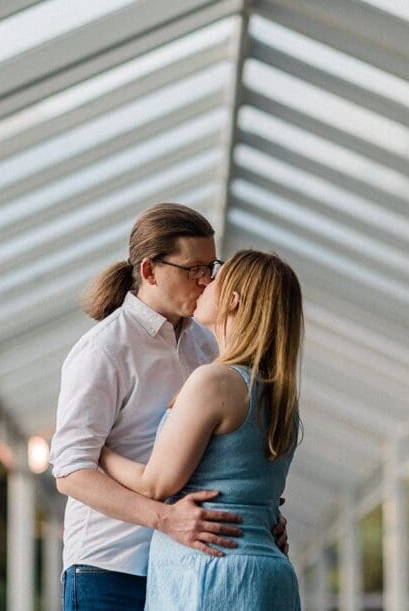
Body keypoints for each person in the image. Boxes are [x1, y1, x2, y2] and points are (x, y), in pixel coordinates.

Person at [49, 204, 287, 609]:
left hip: (186, 566)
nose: (205, 280)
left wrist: (258, 517)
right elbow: (70, 472)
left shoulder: (208, 346)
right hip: (111, 566)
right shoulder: (105, 349)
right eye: (192, 269)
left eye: (210, 268)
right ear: (149, 271)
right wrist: (165, 519)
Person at [98, 249, 303, 610]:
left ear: (234, 301)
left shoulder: (215, 381)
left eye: (216, 277)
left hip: (211, 574)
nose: (205, 282)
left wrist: (98, 451)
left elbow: (156, 484)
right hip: (269, 576)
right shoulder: (280, 396)